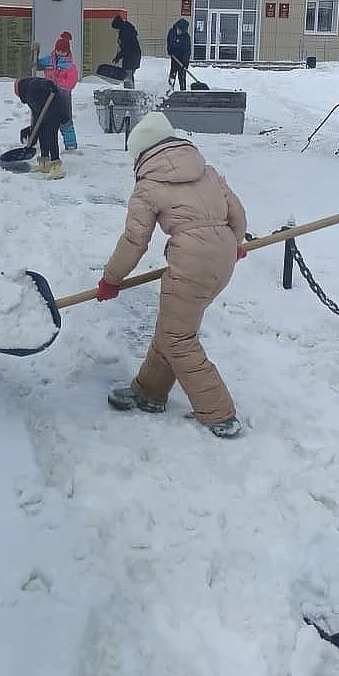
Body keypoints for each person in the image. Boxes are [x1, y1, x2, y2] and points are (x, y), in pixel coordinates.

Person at [95, 111, 247, 438]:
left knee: (179, 338)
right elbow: (237, 212)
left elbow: (135, 241)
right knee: (172, 327)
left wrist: (111, 279)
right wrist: (235, 243)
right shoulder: (207, 172)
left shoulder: (148, 186)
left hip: (192, 263)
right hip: (222, 260)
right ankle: (149, 391)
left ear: (142, 154)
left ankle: (219, 413)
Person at [14, 76, 68, 179]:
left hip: (57, 109)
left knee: (51, 137)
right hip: (46, 113)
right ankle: (44, 162)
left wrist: (50, 86)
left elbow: (43, 82)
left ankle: (56, 166)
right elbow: (36, 116)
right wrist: (31, 132)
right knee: (43, 135)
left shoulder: (32, 85)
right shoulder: (30, 97)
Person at [37, 30, 79, 151]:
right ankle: (44, 143)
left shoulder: (70, 67)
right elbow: (38, 64)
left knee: (65, 120)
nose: (60, 53)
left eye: (63, 51)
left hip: (63, 97)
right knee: (45, 119)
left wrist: (57, 85)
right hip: (48, 94)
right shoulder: (49, 60)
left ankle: (70, 144)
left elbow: (71, 83)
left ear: (67, 52)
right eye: (58, 50)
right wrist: (35, 56)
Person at [111, 15, 141, 89]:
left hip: (131, 56)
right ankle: (130, 90)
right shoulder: (127, 28)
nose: (117, 30)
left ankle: (129, 93)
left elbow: (126, 48)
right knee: (129, 75)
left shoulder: (125, 32)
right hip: (134, 54)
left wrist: (118, 57)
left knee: (127, 75)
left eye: (116, 28)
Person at [166, 18, 192, 91]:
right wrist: (169, 50)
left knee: (182, 76)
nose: (180, 32)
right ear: (177, 27)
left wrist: (185, 63)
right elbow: (169, 42)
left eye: (182, 31)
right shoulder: (172, 32)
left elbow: (187, 51)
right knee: (172, 74)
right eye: (179, 30)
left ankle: (183, 91)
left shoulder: (186, 37)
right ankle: (170, 90)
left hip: (182, 59)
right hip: (174, 58)